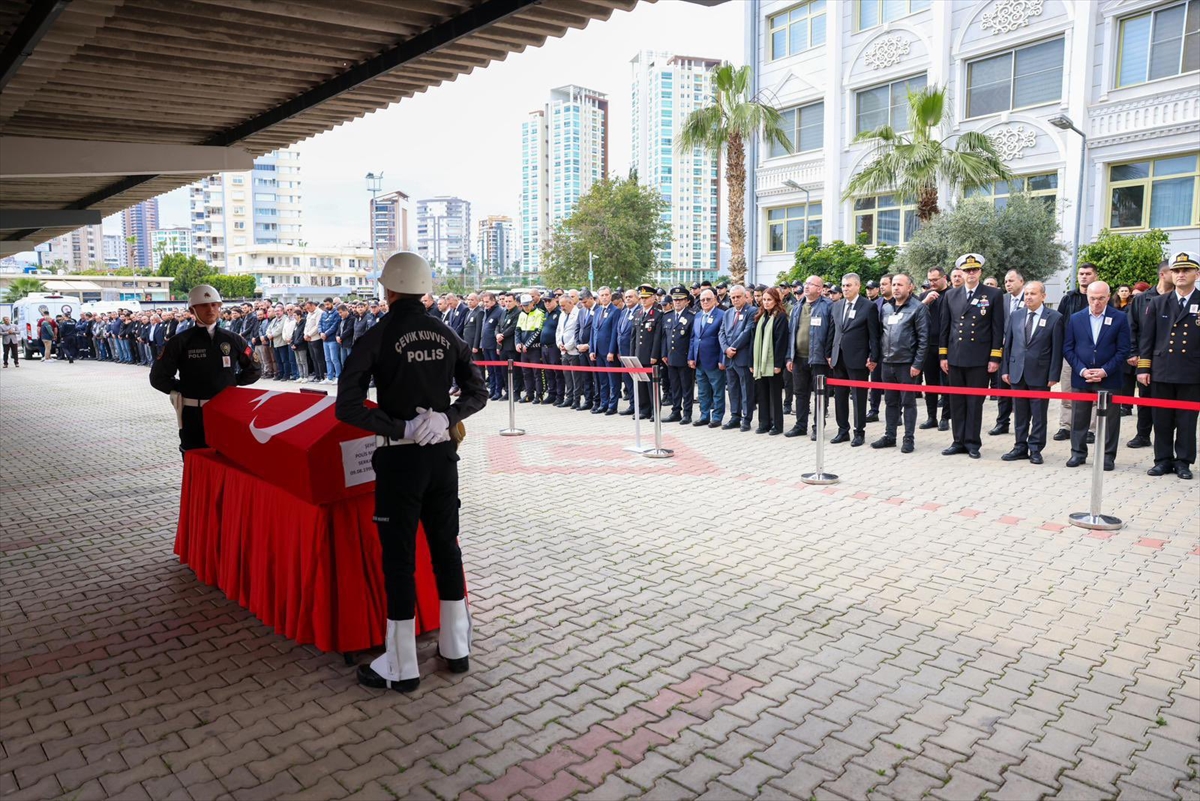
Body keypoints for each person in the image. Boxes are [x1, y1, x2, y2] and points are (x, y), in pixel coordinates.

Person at [335, 252, 487, 693]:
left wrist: (400, 426)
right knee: (446, 549)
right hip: (442, 458)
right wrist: (446, 417)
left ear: (388, 290)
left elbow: (346, 406)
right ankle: (456, 648)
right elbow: (478, 392)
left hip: (400, 460)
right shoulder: (447, 333)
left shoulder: (377, 335)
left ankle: (401, 666)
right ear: (425, 289)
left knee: (399, 559)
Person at [149, 285, 262, 456]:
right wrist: (183, 388)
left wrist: (231, 383)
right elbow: (158, 377)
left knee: (228, 458)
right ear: (192, 310)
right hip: (194, 414)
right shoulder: (180, 341)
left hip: (226, 412)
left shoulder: (233, 339)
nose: (210, 309)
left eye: (214, 305)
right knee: (194, 457)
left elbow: (254, 368)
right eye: (204, 305)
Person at [1138, 252, 1199, 480]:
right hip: (1162, 370)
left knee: (1187, 421)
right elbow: (1147, 338)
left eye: (1186, 270)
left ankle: (1183, 462)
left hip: (1192, 372)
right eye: (1176, 271)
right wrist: (1143, 368)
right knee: (1161, 419)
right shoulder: (1158, 302)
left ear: (1197, 274)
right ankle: (1162, 460)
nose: (1180, 274)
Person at [939, 253, 1003, 459]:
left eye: (974, 270)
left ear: (980, 272)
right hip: (956, 357)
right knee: (956, 401)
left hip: (979, 358)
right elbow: (945, 327)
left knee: (975, 403)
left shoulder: (993, 294)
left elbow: (997, 328)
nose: (971, 273)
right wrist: (943, 355)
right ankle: (958, 441)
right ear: (961, 273)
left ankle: (973, 442)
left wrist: (995, 357)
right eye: (967, 270)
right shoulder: (951, 295)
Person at [1064, 281, 1130, 471]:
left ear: (1108, 297)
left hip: (1109, 377)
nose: (1096, 302)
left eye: (1101, 298)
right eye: (1093, 298)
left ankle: (1107, 456)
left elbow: (1123, 349)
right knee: (1079, 417)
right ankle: (1077, 453)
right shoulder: (1076, 318)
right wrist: (1082, 370)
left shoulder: (1119, 318)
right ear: (1087, 297)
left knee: (1110, 420)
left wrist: (1105, 370)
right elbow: (1068, 348)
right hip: (1081, 376)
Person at [1000, 281, 1062, 465]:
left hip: (1040, 374)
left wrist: (1053, 375)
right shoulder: (1016, 315)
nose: (1028, 297)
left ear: (1043, 296)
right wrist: (1005, 369)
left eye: (1033, 294)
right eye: (1026, 294)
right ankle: (1020, 446)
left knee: (1039, 415)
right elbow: (1008, 345)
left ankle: (1035, 448)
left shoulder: (1055, 318)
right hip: (1017, 372)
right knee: (1020, 413)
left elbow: (1057, 349)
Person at [872, 274, 929, 453]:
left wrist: (917, 364)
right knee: (890, 402)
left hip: (907, 364)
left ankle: (908, 438)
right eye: (894, 284)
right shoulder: (886, 308)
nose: (896, 288)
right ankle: (890, 436)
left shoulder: (918, 308)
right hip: (887, 363)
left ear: (910, 287)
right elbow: (880, 335)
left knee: (908, 403)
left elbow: (924, 340)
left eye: (900, 285)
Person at [825, 273, 879, 447]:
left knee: (858, 397)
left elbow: (874, 335)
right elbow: (833, 331)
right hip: (838, 357)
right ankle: (843, 430)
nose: (845, 288)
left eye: (849, 285)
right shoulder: (837, 305)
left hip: (858, 358)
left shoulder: (868, 306)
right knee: (840, 396)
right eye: (843, 285)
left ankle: (859, 432)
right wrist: (829, 353)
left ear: (858, 286)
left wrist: (873, 356)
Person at [1126, 261, 1172, 449]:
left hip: (1169, 359)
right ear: (1163, 274)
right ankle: (1143, 435)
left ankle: (1167, 438)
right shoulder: (1142, 299)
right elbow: (1131, 327)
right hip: (1145, 357)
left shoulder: (1178, 299)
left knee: (1168, 401)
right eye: (1174, 271)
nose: (1179, 275)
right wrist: (1133, 352)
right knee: (1145, 397)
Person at [1053, 263, 1097, 441]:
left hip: (1094, 354)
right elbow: (1059, 324)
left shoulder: (1100, 297)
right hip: (1070, 353)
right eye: (1081, 273)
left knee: (1093, 394)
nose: (1084, 276)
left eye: (1088, 273)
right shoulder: (1068, 298)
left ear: (1095, 276)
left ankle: (1091, 429)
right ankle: (1066, 426)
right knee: (1067, 392)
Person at [785, 276, 831, 440]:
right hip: (798, 358)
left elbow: (832, 333)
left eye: (811, 284)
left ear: (819, 289)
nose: (806, 286)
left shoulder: (828, 306)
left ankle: (818, 427)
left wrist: (829, 354)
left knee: (820, 394)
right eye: (806, 283)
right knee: (800, 393)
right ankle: (800, 425)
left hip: (819, 359)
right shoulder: (798, 306)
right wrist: (789, 357)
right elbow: (791, 333)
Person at [990, 269, 1026, 436]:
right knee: (1002, 387)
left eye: (1011, 281)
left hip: (1022, 351)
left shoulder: (1030, 298)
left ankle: (1022, 424)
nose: (1008, 284)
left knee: (1020, 389)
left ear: (1021, 281)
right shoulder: (1002, 299)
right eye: (1005, 282)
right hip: (1003, 350)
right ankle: (1002, 422)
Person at [751, 287, 790, 435]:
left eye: (769, 300)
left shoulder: (780, 317)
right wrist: (752, 363)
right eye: (764, 300)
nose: (766, 302)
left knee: (774, 395)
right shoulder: (760, 316)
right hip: (760, 362)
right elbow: (753, 340)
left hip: (773, 363)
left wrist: (778, 364)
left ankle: (776, 425)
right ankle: (764, 423)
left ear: (776, 301)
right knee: (762, 393)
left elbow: (781, 342)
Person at [719, 285, 757, 431]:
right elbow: (721, 333)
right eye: (733, 297)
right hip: (729, 358)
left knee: (746, 389)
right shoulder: (728, 312)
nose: (735, 299)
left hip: (742, 356)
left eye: (738, 297)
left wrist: (733, 348)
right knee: (733, 389)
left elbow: (746, 332)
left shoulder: (752, 311)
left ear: (745, 297)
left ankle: (746, 419)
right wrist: (726, 349)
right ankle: (735, 416)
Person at [919, 266, 952, 432]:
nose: (932, 283)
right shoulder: (924, 296)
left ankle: (945, 417)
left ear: (944, 278)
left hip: (947, 346)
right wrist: (925, 302)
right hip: (928, 346)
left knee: (947, 384)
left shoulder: (953, 294)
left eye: (935, 280)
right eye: (930, 280)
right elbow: (913, 315)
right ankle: (931, 416)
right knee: (930, 383)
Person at [688, 289, 725, 428]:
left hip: (714, 360)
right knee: (702, 391)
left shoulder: (721, 315)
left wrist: (722, 359)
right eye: (702, 300)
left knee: (717, 391)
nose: (705, 302)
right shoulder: (698, 315)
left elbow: (723, 339)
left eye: (708, 299)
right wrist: (691, 357)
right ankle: (704, 416)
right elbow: (694, 338)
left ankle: (717, 417)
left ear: (714, 299)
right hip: (699, 360)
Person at [661, 286, 696, 425]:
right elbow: (665, 337)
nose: (677, 302)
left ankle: (687, 414)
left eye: (680, 299)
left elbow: (692, 339)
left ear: (687, 301)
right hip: (671, 358)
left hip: (684, 358)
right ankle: (676, 411)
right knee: (674, 387)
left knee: (686, 388)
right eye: (675, 300)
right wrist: (664, 353)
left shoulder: (691, 316)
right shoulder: (668, 316)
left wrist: (691, 357)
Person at [631, 284, 664, 421]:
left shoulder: (657, 314)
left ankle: (654, 411)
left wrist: (654, 355)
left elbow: (657, 337)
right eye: (642, 298)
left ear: (653, 298)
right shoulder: (638, 314)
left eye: (646, 297)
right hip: (638, 355)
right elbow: (633, 337)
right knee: (641, 385)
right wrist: (631, 356)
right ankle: (643, 409)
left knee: (652, 385)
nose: (643, 300)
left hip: (650, 356)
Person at [592, 287, 620, 415]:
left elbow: (615, 332)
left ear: (610, 296)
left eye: (606, 295)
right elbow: (593, 331)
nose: (604, 297)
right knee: (602, 380)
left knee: (613, 380)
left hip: (608, 352)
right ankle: (604, 404)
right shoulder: (597, 311)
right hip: (598, 351)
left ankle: (612, 406)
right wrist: (592, 349)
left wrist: (612, 351)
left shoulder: (615, 311)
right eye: (602, 295)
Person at [515, 294, 545, 403]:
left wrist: (527, 345)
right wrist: (517, 343)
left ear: (532, 303)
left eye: (527, 305)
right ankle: (529, 394)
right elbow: (517, 330)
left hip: (535, 348)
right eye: (523, 305)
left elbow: (538, 332)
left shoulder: (539, 313)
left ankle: (539, 395)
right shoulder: (521, 314)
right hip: (523, 349)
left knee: (537, 373)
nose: (525, 307)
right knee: (526, 373)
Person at [539, 293, 564, 407]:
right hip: (544, 347)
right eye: (545, 301)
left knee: (557, 373)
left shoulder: (559, 313)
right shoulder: (545, 314)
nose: (547, 303)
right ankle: (551, 394)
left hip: (554, 347)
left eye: (549, 300)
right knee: (548, 372)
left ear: (555, 300)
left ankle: (560, 395)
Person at [616, 289, 639, 414]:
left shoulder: (639, 311)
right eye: (626, 297)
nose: (628, 299)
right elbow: (619, 332)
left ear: (637, 298)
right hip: (623, 353)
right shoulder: (624, 312)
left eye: (631, 296)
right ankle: (632, 405)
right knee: (628, 381)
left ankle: (640, 406)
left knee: (637, 382)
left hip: (634, 353)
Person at [479, 292, 504, 401]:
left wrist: (498, 346)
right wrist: (482, 344)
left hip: (494, 345)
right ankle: (492, 390)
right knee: (490, 370)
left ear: (494, 301)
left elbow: (499, 328)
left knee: (496, 369)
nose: (485, 304)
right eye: (484, 302)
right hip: (486, 345)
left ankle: (498, 391)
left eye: (487, 301)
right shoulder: (486, 311)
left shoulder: (499, 311)